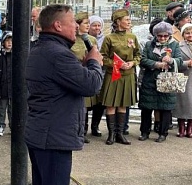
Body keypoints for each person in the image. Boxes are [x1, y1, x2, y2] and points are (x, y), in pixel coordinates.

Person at [25, 4, 103, 185]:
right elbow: (91, 85)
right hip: (53, 138)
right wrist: (95, 62)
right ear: (58, 25)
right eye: (72, 23)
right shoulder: (58, 54)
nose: (76, 28)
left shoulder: (42, 49)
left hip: (43, 134)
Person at [100, 9, 140, 145]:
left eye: (129, 19)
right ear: (118, 21)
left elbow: (138, 55)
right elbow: (103, 58)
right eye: (126, 19)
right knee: (111, 104)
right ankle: (111, 134)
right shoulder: (109, 38)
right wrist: (116, 64)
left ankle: (120, 134)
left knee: (123, 104)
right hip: (113, 75)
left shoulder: (133, 37)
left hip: (127, 75)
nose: (129, 21)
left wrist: (132, 63)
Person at [138, 22, 182, 143]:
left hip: (167, 80)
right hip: (150, 81)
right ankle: (144, 131)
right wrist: (156, 64)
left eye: (165, 36)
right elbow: (142, 60)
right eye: (160, 35)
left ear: (169, 35)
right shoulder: (148, 45)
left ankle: (163, 133)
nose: (162, 38)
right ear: (155, 35)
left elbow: (180, 60)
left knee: (165, 108)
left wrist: (172, 61)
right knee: (146, 108)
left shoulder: (175, 45)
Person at [71, 12, 99, 143]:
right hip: (75, 73)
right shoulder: (71, 39)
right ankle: (76, 131)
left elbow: (97, 56)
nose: (88, 25)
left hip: (88, 73)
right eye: (86, 23)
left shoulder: (91, 40)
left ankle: (84, 131)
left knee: (86, 106)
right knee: (77, 106)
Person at [173, 23, 192, 138]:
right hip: (183, 77)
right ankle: (181, 127)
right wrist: (187, 63)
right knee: (182, 103)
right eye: (187, 33)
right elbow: (175, 62)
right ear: (183, 35)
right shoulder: (178, 46)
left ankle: (190, 127)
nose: (190, 35)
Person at [0, 31, 12, 136]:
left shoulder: (17, 55)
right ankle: (0, 126)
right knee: (1, 109)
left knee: (12, 109)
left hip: (13, 88)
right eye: (7, 41)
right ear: (3, 42)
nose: (9, 43)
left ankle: (13, 127)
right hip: (2, 87)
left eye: (11, 41)